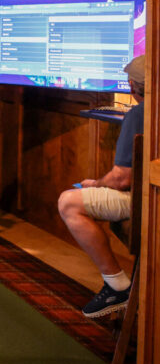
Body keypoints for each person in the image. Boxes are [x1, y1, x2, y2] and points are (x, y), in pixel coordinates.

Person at [58, 54, 146, 318]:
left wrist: (95, 183)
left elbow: (122, 179)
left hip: (147, 200)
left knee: (69, 202)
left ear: (132, 87)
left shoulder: (140, 114)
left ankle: (117, 285)